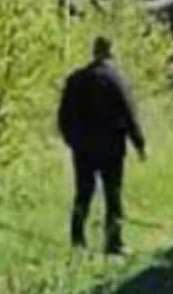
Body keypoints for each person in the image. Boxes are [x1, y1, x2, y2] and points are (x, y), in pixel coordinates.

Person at [58, 36, 147, 254]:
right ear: (110, 53)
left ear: (94, 51)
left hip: (83, 148)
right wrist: (139, 143)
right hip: (111, 147)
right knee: (113, 193)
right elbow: (129, 113)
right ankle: (113, 241)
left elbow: (63, 116)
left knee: (83, 192)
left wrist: (72, 140)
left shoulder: (76, 79)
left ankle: (77, 240)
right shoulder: (116, 79)